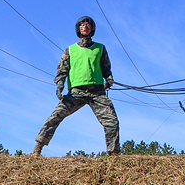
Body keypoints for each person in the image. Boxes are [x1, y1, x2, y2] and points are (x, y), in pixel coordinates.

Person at [32, 16, 120, 156]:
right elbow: (62, 70)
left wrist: (108, 79)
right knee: (55, 117)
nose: (85, 27)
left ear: (92, 29)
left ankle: (113, 155)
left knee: (112, 121)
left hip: (97, 92)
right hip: (75, 93)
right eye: (82, 25)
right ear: (78, 29)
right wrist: (59, 85)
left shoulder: (100, 49)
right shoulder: (70, 50)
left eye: (88, 25)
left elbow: (106, 69)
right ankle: (37, 149)